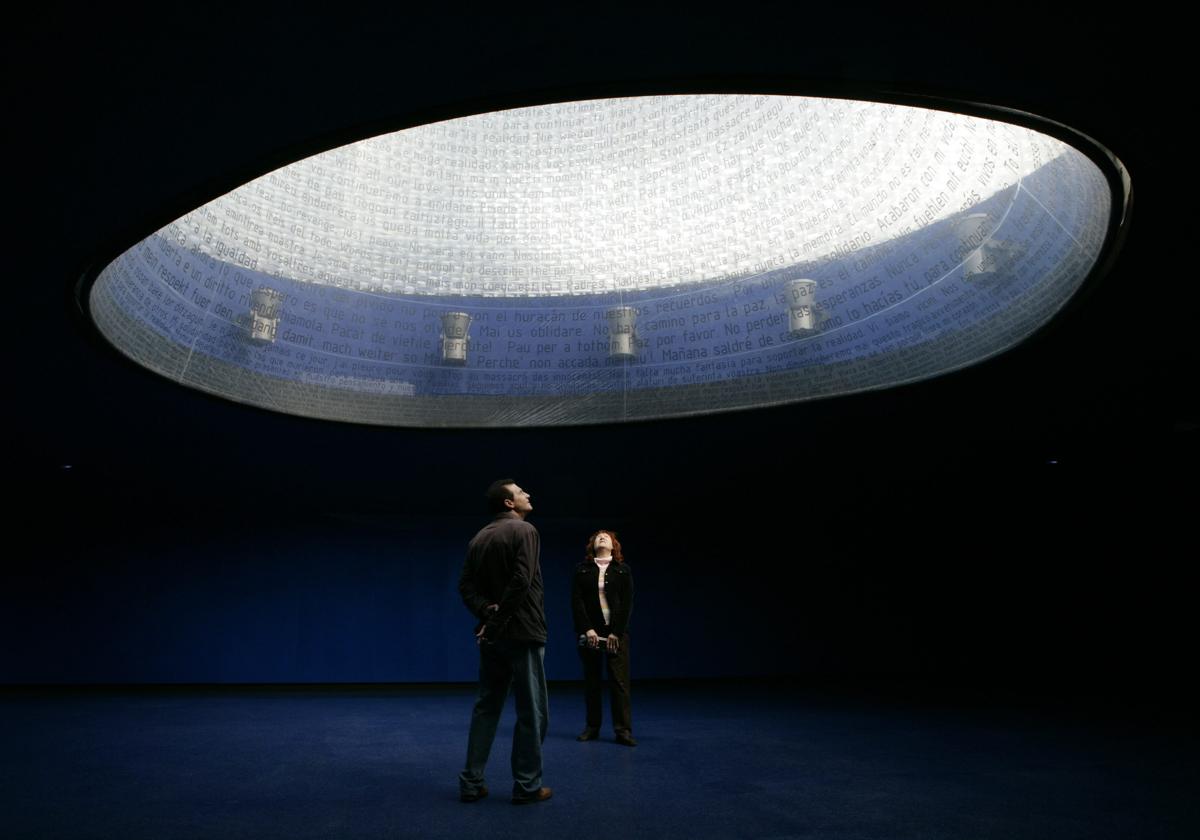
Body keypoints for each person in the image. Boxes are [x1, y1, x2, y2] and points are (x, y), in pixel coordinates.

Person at [457, 479, 552, 804]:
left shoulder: (479, 538)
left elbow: (465, 586)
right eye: (522, 492)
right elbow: (522, 579)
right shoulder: (525, 531)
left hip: (492, 636)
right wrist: (497, 622)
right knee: (533, 713)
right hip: (522, 633)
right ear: (510, 504)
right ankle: (527, 787)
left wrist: (486, 613)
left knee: (486, 708)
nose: (528, 493)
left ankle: (471, 783)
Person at [571, 529, 636, 746]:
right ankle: (592, 727)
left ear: (613, 545)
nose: (602, 537)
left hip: (616, 634)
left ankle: (623, 731)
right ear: (592, 545)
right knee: (592, 682)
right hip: (590, 634)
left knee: (619, 683)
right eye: (598, 536)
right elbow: (577, 603)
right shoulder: (581, 570)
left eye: (606, 536)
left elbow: (627, 604)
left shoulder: (622, 571)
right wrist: (587, 629)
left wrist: (616, 632)